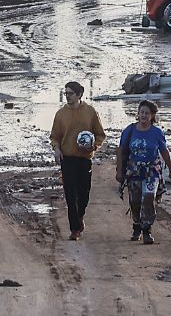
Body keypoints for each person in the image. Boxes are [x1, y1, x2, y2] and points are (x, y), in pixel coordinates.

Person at [49, 81, 107, 241]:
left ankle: (80, 215)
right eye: (65, 93)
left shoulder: (90, 112)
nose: (67, 96)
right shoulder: (61, 114)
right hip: (67, 158)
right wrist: (56, 148)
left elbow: (100, 134)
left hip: (84, 159)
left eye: (70, 93)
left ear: (79, 94)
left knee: (84, 194)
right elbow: (54, 136)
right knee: (70, 194)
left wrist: (94, 146)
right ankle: (74, 229)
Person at [116, 99, 171, 244]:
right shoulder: (129, 131)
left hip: (152, 171)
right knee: (135, 201)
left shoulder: (157, 132)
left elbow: (164, 152)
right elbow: (121, 151)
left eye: (147, 113)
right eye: (141, 112)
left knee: (148, 197)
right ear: (138, 113)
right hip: (134, 171)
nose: (143, 115)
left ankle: (147, 229)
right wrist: (119, 171)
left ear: (152, 116)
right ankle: (137, 225)